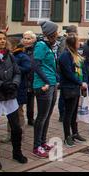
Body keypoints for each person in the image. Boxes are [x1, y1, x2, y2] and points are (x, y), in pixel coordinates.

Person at [0, 30, 27, 170]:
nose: (2, 41)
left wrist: (14, 84)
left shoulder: (10, 55)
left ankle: (17, 152)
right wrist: (0, 84)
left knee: (16, 127)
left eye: (4, 39)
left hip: (10, 95)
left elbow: (17, 72)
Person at [32, 20, 60, 158]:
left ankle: (42, 142)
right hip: (43, 85)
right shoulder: (40, 45)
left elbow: (50, 65)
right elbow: (36, 65)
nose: (58, 33)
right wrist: (47, 81)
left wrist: (55, 78)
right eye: (56, 31)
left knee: (47, 115)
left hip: (52, 83)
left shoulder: (48, 46)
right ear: (50, 33)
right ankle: (36, 146)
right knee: (42, 117)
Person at [58, 33, 88, 147]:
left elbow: (83, 69)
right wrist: (80, 83)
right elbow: (68, 73)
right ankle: (67, 136)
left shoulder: (77, 55)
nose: (79, 43)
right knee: (68, 113)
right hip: (69, 87)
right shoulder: (65, 56)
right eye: (78, 41)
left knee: (74, 112)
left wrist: (84, 81)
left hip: (76, 87)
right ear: (73, 43)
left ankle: (75, 133)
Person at [1, 38, 32, 143]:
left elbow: (27, 68)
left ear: (14, 46)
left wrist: (13, 67)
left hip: (19, 88)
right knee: (9, 112)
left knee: (18, 113)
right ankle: (9, 134)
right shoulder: (8, 55)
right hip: (9, 89)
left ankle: (20, 135)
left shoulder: (23, 56)